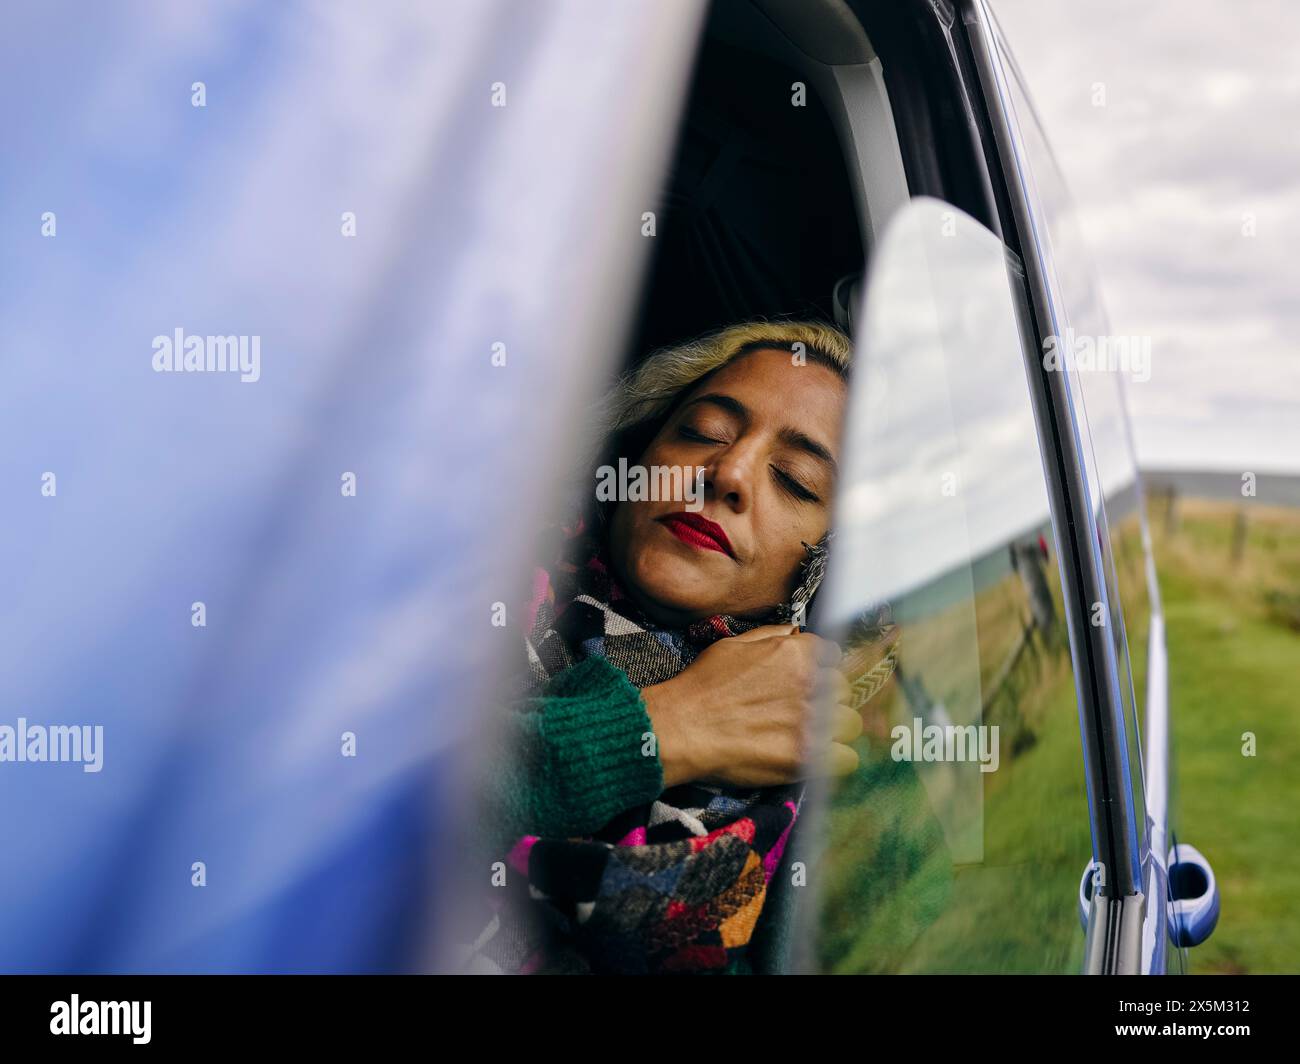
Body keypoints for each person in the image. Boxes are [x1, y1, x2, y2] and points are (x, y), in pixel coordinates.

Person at [463, 320, 865, 974]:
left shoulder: (833, 793)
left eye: (795, 479)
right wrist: (665, 727)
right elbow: (347, 812)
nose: (730, 472)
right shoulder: (460, 587)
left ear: (828, 567)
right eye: (703, 432)